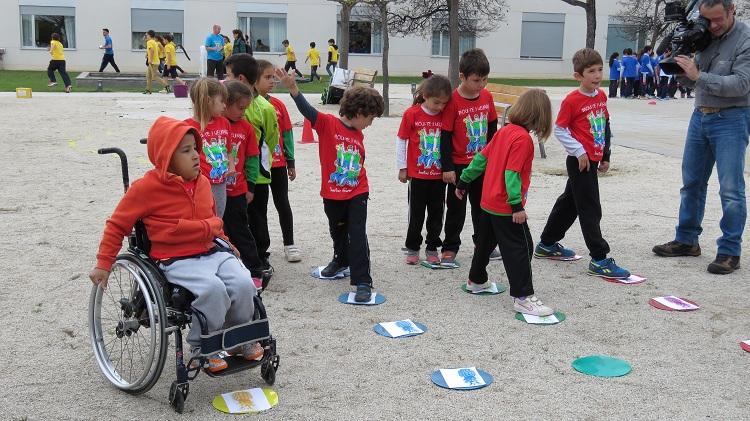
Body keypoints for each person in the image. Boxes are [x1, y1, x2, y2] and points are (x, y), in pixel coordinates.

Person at [89, 116, 263, 373]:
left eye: (195, 148)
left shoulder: (203, 183)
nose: (195, 155)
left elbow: (214, 221)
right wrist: (104, 264)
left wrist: (227, 244)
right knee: (213, 290)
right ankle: (203, 345)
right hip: (176, 258)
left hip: (211, 250)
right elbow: (117, 225)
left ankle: (238, 337)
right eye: (186, 151)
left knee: (244, 283)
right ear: (167, 157)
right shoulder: (145, 189)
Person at [652, 0, 750, 275]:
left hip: (732, 117)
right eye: (707, 20)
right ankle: (686, 240)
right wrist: (680, 70)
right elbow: (694, 81)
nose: (713, 26)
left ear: (732, 10)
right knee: (692, 183)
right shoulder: (703, 36)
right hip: (700, 116)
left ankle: (729, 251)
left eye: (718, 19)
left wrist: (699, 75)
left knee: (731, 189)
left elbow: (742, 84)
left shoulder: (745, 40)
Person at [275, 68, 384, 302]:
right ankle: (340, 259)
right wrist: (293, 89)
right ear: (359, 111)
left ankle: (362, 280)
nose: (371, 123)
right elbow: (308, 111)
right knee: (337, 231)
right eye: (371, 118)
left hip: (357, 191)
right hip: (332, 193)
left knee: (356, 233)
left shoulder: (358, 133)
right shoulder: (327, 123)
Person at [533, 48, 631, 280]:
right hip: (580, 162)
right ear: (579, 75)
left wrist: (605, 154)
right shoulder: (572, 101)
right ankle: (599, 258)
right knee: (590, 207)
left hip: (594, 159)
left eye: (599, 70)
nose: (597, 75)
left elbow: (604, 126)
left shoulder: (601, 96)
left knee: (570, 203)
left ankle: (547, 243)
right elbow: (560, 129)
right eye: (591, 71)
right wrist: (579, 152)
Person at [457, 89, 556, 316]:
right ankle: (523, 297)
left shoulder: (504, 132)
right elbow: (512, 173)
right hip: (505, 206)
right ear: (541, 116)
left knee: (485, 243)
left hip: (488, 202)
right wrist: (516, 206)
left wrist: (464, 181)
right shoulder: (523, 139)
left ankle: (477, 279)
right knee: (522, 247)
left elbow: (480, 158)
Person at [440, 48, 500, 264]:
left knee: (482, 207)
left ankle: (483, 244)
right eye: (476, 80)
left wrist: (493, 157)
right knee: (456, 209)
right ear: (462, 77)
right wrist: (447, 167)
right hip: (458, 166)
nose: (482, 85)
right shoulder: (453, 100)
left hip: (481, 164)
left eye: (485, 79)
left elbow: (492, 128)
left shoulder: (486, 96)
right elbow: (445, 136)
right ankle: (450, 247)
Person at [224, 53, 280, 273]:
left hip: (256, 173)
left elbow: (272, 138)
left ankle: (261, 256)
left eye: (227, 75)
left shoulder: (264, 108)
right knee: (237, 218)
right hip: (233, 177)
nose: (224, 79)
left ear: (240, 78)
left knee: (257, 215)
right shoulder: (223, 104)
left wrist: (258, 166)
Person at [397, 74, 452, 265]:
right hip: (418, 176)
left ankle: (432, 247)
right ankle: (413, 247)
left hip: (438, 176)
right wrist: (402, 167)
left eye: (444, 103)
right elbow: (401, 140)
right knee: (416, 214)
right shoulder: (411, 114)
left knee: (437, 214)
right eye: (437, 102)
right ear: (426, 95)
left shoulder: (446, 115)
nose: (440, 107)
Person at [221, 80, 270, 284]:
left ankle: (255, 269)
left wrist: (250, 186)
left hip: (237, 190)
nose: (243, 112)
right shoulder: (214, 125)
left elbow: (252, 159)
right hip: (213, 189)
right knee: (219, 231)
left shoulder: (246, 128)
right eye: (240, 108)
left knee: (241, 229)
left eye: (246, 108)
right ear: (225, 103)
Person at [256, 60, 302, 262]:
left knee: (282, 202)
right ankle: (261, 248)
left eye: (273, 77)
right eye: (267, 77)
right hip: (258, 167)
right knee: (259, 208)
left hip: (278, 164)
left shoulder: (278, 105)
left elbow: (287, 134)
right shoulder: (246, 105)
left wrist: (290, 161)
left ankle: (289, 244)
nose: (272, 81)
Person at [184, 78, 232, 217]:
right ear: (208, 100)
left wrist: (232, 167)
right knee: (201, 218)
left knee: (218, 219)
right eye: (222, 101)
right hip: (199, 184)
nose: (225, 106)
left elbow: (228, 150)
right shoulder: (186, 127)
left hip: (220, 183)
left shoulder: (224, 122)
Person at [144, 30, 169, 95]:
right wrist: (147, 54)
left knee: (154, 76)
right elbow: (151, 50)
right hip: (155, 61)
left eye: (146, 35)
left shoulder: (149, 42)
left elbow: (151, 50)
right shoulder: (154, 42)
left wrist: (150, 60)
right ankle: (148, 90)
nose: (146, 36)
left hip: (153, 62)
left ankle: (167, 86)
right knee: (148, 76)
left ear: (150, 35)